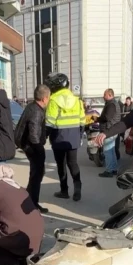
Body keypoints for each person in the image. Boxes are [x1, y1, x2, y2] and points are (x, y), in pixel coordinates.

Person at [44, 72, 84, 201]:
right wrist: (79, 135)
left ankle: (64, 191)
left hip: (58, 137)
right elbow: (82, 120)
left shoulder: (54, 100)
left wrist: (43, 136)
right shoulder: (77, 100)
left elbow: (49, 122)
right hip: (73, 137)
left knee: (61, 165)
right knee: (73, 163)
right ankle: (77, 188)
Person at [13, 84, 50, 213]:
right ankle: (31, 205)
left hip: (28, 145)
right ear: (45, 98)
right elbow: (34, 134)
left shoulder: (32, 106)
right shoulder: (36, 111)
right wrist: (40, 149)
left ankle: (31, 202)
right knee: (37, 175)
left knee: (36, 174)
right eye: (48, 98)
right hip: (32, 146)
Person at [97, 88, 121, 177]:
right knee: (111, 151)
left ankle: (109, 170)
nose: (103, 96)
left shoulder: (111, 105)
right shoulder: (113, 103)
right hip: (112, 130)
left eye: (105, 95)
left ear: (110, 95)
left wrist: (97, 119)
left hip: (109, 130)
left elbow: (107, 118)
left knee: (107, 151)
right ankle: (114, 169)